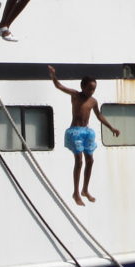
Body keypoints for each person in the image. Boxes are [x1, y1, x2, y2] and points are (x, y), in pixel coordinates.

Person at [48, 65, 119, 206]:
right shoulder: (75, 95)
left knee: (90, 160)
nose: (91, 91)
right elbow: (59, 86)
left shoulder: (93, 101)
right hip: (75, 131)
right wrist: (53, 76)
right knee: (79, 161)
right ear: (83, 87)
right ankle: (76, 192)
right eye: (89, 89)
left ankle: (85, 190)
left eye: (93, 89)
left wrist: (111, 127)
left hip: (86, 132)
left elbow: (99, 116)